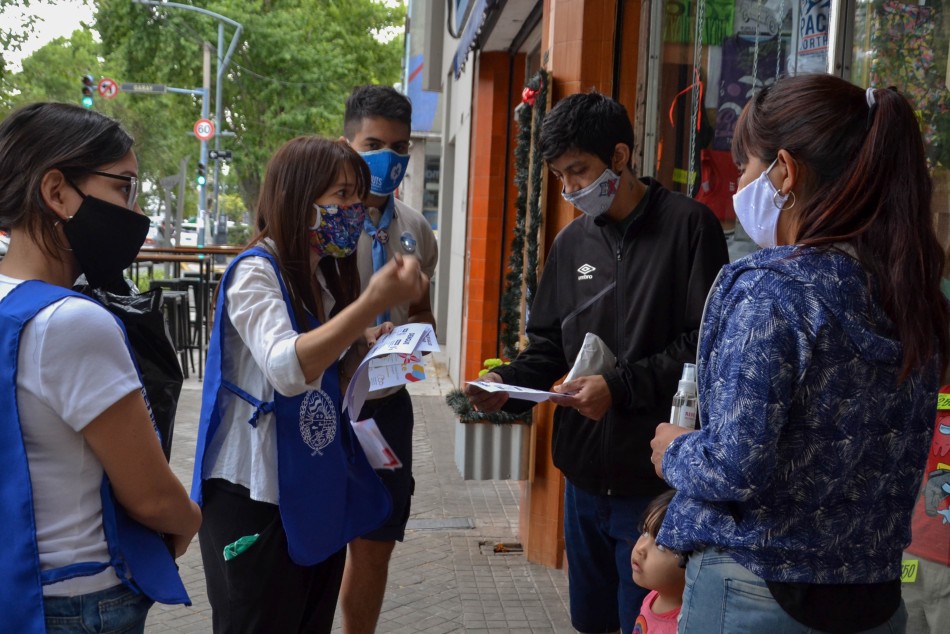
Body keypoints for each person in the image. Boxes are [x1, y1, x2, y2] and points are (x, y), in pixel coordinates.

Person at [650, 75, 950, 633]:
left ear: (784, 172)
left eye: (745, 168)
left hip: (754, 591)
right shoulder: (910, 297)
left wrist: (675, 451)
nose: (739, 188)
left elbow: (733, 466)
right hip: (875, 597)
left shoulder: (773, 291)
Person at [464, 91, 729, 634]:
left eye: (578, 171)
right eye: (560, 176)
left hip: (653, 486)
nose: (569, 189)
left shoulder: (690, 228)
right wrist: (506, 385)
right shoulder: (569, 243)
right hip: (582, 480)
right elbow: (546, 346)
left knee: (649, 623)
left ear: (620, 157)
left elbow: (704, 346)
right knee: (592, 623)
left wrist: (619, 386)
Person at [191, 136, 428, 634]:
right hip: (253, 497)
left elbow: (323, 384)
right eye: (341, 196)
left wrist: (362, 354)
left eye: (357, 198)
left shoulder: (320, 279)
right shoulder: (255, 272)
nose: (354, 210)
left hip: (310, 492)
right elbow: (285, 368)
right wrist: (368, 305)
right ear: (298, 197)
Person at [0, 102, 201, 633]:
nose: (136, 213)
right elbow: (153, 497)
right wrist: (191, 520)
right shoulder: (69, 323)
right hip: (80, 603)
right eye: (125, 188)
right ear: (57, 192)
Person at [338, 84, 439, 634]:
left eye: (400, 148)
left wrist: (411, 342)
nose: (390, 159)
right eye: (374, 143)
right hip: (324, 408)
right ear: (347, 143)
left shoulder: (416, 230)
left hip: (386, 411)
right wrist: (358, 336)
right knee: (321, 543)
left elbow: (423, 315)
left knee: (376, 545)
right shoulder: (323, 225)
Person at [630, 490, 685, 634]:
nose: (640, 549)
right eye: (645, 532)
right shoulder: (654, 595)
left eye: (661, 546)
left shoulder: (682, 626)